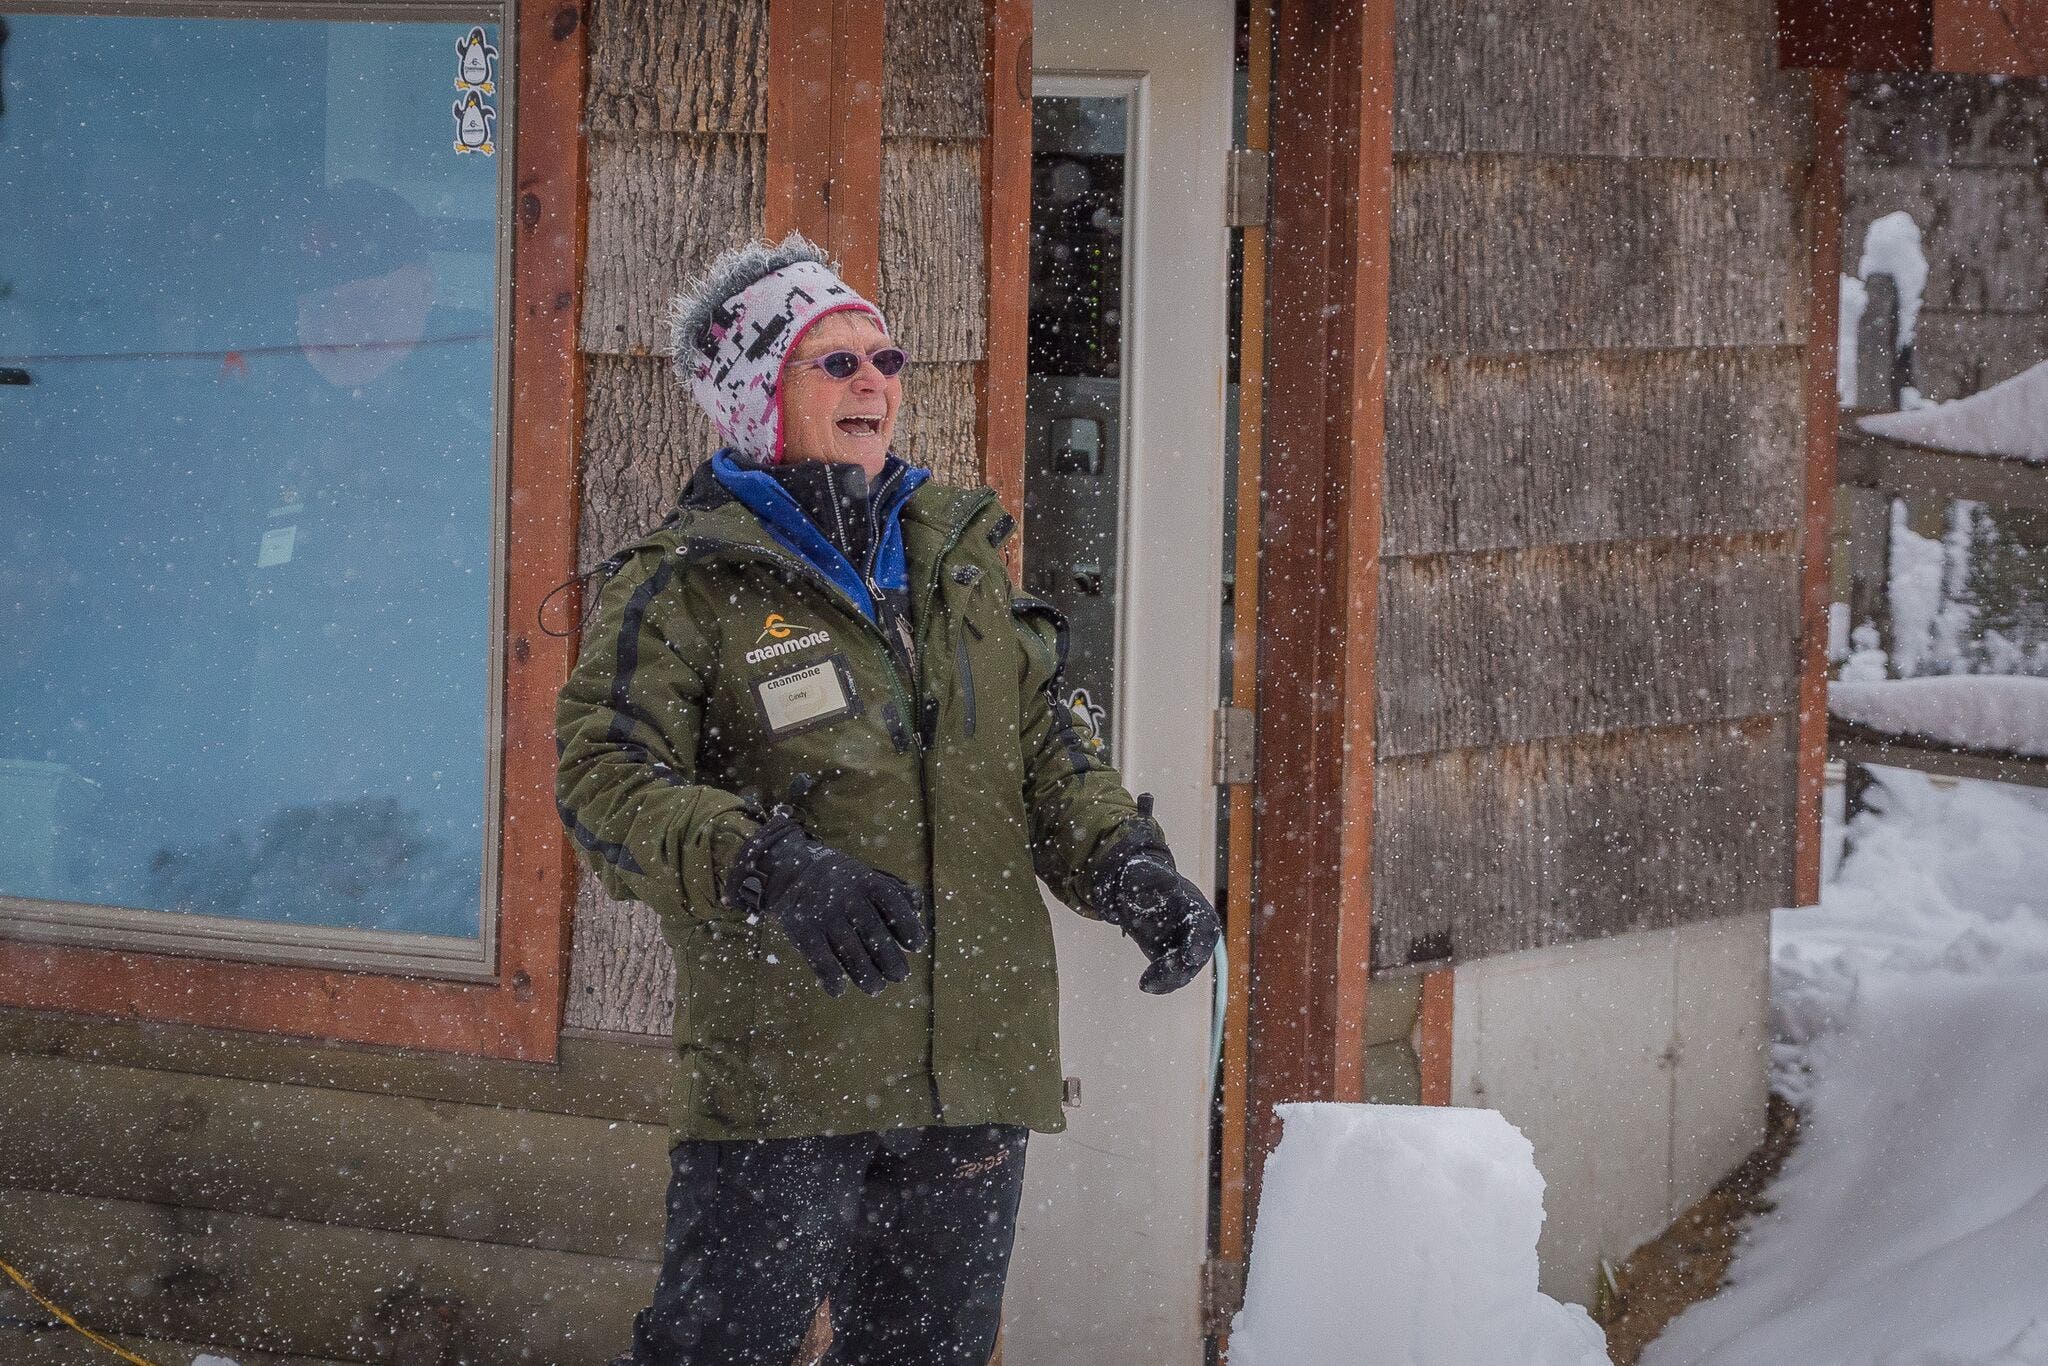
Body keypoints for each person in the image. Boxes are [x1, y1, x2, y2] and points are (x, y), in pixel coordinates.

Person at [557, 233, 1220, 1366]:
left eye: (886, 357)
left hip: (969, 1070)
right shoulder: (684, 583)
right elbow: (602, 779)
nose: (876, 382)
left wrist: (1128, 863)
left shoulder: (954, 561)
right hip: (785, 1068)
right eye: (837, 362)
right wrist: (766, 861)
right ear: (759, 396)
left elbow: (1040, 752)